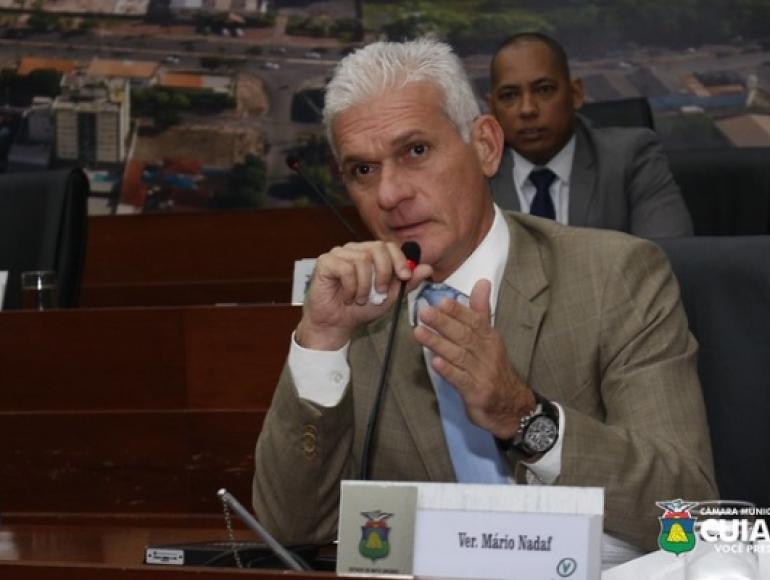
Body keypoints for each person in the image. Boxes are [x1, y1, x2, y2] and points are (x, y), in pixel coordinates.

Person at [252, 38, 716, 559]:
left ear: (486, 147)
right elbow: (290, 529)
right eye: (363, 170)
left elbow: (689, 508)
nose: (389, 194)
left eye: (415, 151)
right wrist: (321, 343)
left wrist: (525, 417)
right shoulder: (357, 313)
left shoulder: (616, 276)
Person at [487, 32, 693, 238]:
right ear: (492, 108)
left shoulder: (631, 158)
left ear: (575, 94)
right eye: (509, 95)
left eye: (544, 90)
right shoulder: (479, 175)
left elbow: (666, 253)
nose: (527, 109)